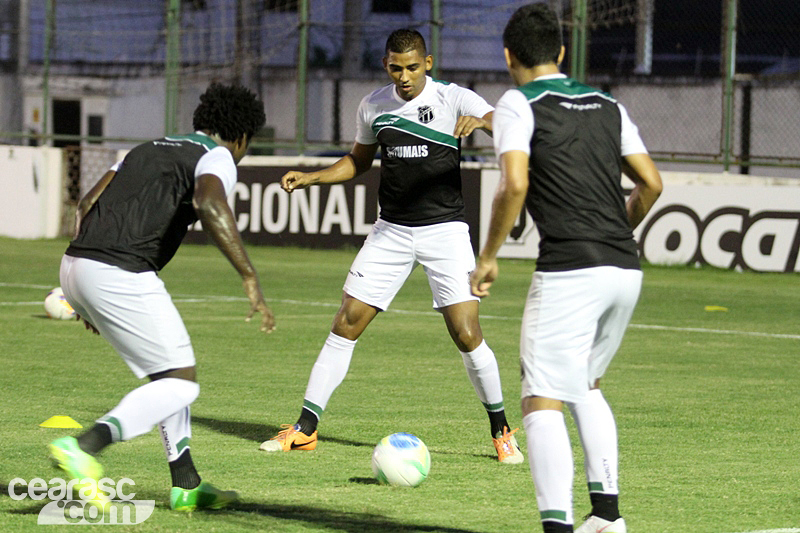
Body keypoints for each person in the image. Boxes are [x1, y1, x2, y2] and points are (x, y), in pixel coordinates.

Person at [259, 28, 523, 464]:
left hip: (446, 231)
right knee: (347, 321)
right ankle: (305, 429)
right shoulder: (374, 106)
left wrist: (482, 122)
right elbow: (358, 162)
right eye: (396, 68)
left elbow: (507, 122)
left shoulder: (454, 97)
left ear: (428, 64)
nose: (404, 77)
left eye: (413, 68)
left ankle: (501, 430)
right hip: (392, 232)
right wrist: (312, 177)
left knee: (467, 333)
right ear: (387, 65)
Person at [469, 4, 663, 533]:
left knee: (540, 397)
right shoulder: (608, 104)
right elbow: (651, 185)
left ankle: (556, 527)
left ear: (509, 57)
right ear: (560, 52)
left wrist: (487, 257)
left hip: (570, 269)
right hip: (625, 267)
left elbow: (514, 183)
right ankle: (606, 519)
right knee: (587, 385)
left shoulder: (516, 102)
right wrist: (618, 232)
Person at [50, 82, 275, 512]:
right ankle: (86, 445)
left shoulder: (144, 147)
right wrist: (249, 275)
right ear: (242, 137)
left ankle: (186, 482)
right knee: (180, 382)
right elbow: (209, 204)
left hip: (76, 264)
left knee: (166, 373)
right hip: (120, 270)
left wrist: (84, 285)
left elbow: (87, 202)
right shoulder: (218, 156)